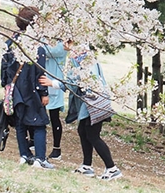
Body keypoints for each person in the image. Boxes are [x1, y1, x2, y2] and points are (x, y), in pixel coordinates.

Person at [44, 43, 121, 180]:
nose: (63, 45)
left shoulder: (82, 57)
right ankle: (87, 166)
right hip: (89, 102)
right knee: (83, 131)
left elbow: (75, 80)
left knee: (92, 135)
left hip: (93, 102)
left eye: (66, 42)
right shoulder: (82, 55)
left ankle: (112, 168)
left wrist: (53, 83)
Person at [1, 6, 54, 170]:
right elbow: (40, 72)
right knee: (39, 125)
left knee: (20, 124)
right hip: (32, 89)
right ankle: (40, 158)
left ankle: (24, 155)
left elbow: (3, 67)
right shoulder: (36, 46)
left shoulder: (11, 41)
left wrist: (6, 85)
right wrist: (44, 92)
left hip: (15, 90)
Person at [37, 38, 70, 160]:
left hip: (54, 83)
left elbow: (50, 51)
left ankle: (57, 148)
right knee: (37, 111)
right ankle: (33, 141)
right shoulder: (44, 39)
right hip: (42, 80)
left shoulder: (62, 45)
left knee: (54, 117)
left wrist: (36, 44)